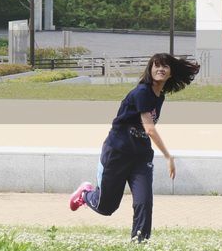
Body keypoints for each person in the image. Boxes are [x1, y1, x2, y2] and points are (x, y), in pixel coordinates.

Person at [68, 53, 200, 241]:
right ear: (150, 69)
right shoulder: (142, 92)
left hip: (140, 157)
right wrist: (168, 156)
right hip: (117, 153)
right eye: (156, 65)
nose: (160, 69)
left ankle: (140, 242)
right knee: (106, 207)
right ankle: (85, 194)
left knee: (144, 202)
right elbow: (149, 129)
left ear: (171, 73)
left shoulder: (159, 96)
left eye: (165, 66)